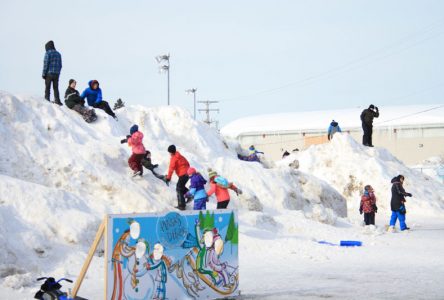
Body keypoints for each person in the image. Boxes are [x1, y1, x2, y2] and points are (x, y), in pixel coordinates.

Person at [166, 145, 190, 210]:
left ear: (171, 152)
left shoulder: (174, 158)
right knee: (181, 187)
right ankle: (190, 194)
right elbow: (188, 164)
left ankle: (181, 205)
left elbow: (171, 169)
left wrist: (168, 178)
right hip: (187, 174)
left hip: (182, 174)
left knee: (179, 188)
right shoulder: (181, 156)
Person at [42, 40, 62, 105]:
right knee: (56, 88)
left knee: (47, 87)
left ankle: (47, 99)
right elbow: (60, 65)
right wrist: (58, 72)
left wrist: (44, 74)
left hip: (49, 73)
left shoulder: (48, 53)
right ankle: (57, 100)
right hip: (56, 74)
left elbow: (46, 64)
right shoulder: (58, 54)